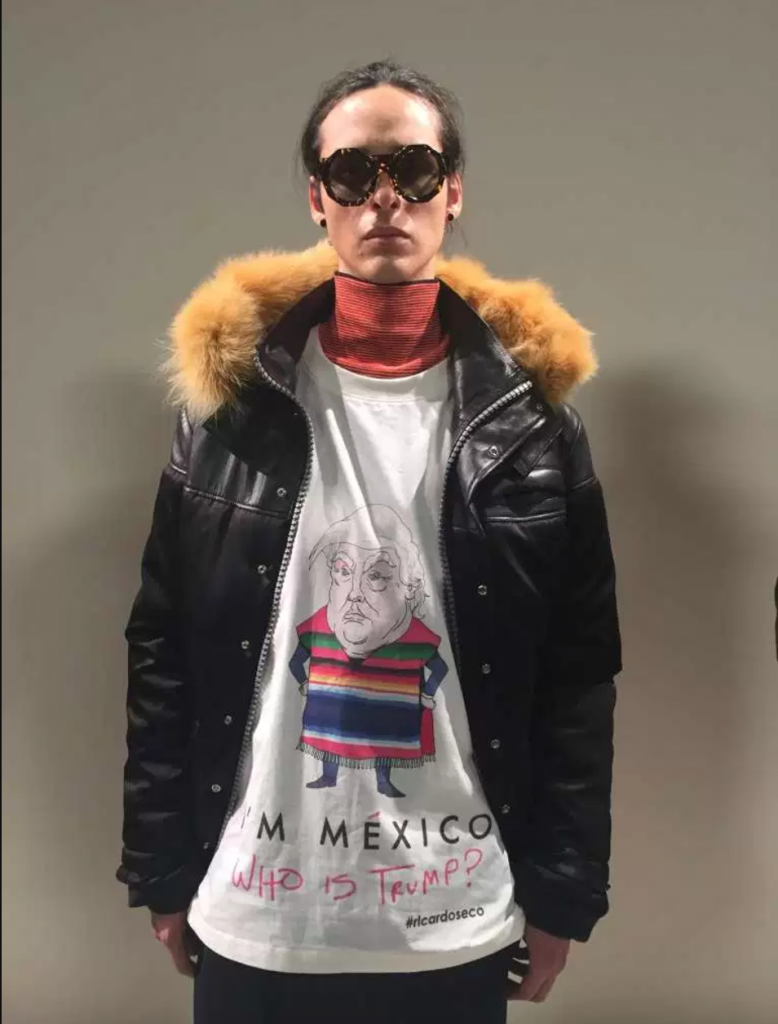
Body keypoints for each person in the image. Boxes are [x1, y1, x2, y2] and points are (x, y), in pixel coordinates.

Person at [117, 60, 622, 1024]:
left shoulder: (533, 427)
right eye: (353, 172)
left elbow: (578, 672)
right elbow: (164, 649)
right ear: (318, 198)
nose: (385, 197)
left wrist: (563, 892)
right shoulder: (228, 413)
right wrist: (161, 866)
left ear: (452, 190)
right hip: (258, 912)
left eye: (414, 170)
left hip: (455, 916)